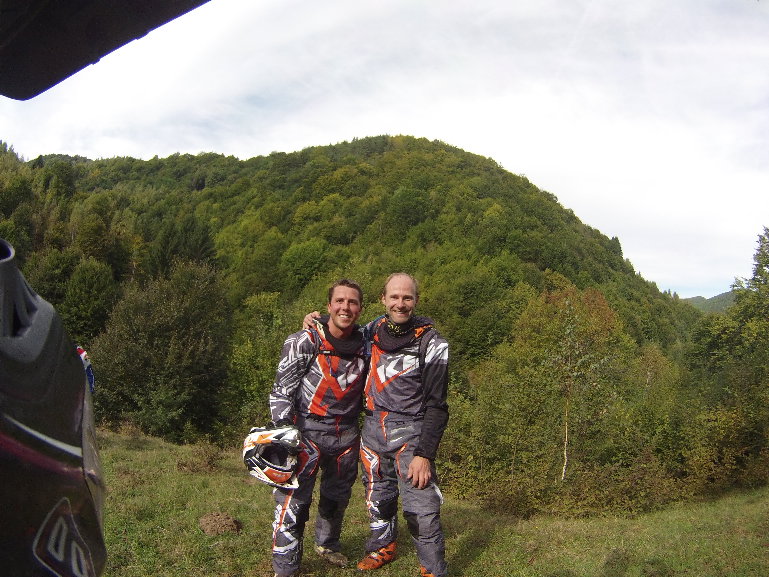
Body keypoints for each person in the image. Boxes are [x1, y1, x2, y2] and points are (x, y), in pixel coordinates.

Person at [304, 272, 450, 577]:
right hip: (372, 430)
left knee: (421, 507)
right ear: (383, 299)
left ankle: (433, 569)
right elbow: (340, 330)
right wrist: (316, 322)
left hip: (412, 433)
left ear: (416, 301)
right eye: (394, 297)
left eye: (407, 297)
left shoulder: (432, 342)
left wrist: (425, 454)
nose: (400, 303)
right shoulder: (371, 331)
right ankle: (382, 547)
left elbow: (438, 405)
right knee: (377, 497)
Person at [268, 279, 368, 577]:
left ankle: (327, 544)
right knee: (293, 501)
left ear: (360, 308)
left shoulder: (367, 343)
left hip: (347, 433)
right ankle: (286, 567)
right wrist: (284, 432)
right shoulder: (304, 340)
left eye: (352, 302)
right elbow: (281, 390)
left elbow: (392, 328)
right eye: (339, 301)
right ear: (328, 306)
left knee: (337, 497)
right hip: (306, 430)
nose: (345, 307)